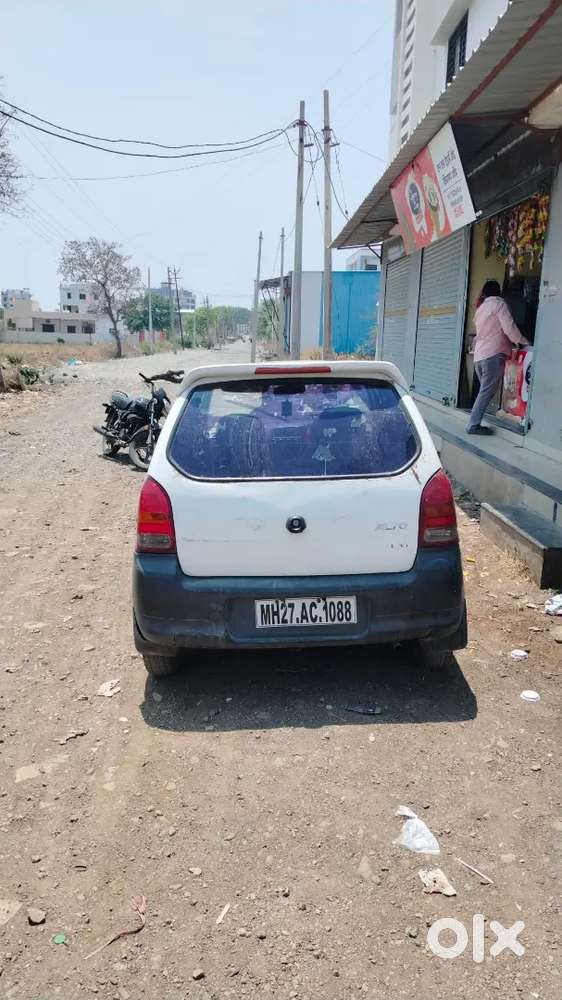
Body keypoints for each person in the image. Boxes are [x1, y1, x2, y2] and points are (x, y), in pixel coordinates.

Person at [467, 279, 529, 435]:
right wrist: (523, 341)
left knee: (485, 392)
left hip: (479, 356)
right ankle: (473, 425)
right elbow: (509, 328)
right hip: (492, 355)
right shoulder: (499, 304)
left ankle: (474, 422)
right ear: (499, 291)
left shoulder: (481, 308)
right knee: (486, 392)